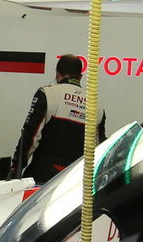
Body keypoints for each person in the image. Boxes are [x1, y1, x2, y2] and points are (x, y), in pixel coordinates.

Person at [12, 54, 104, 184]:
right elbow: (99, 149)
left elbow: (31, 136)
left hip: (43, 179)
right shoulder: (97, 106)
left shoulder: (47, 94)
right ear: (80, 77)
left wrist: (16, 168)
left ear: (57, 73)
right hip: (75, 182)